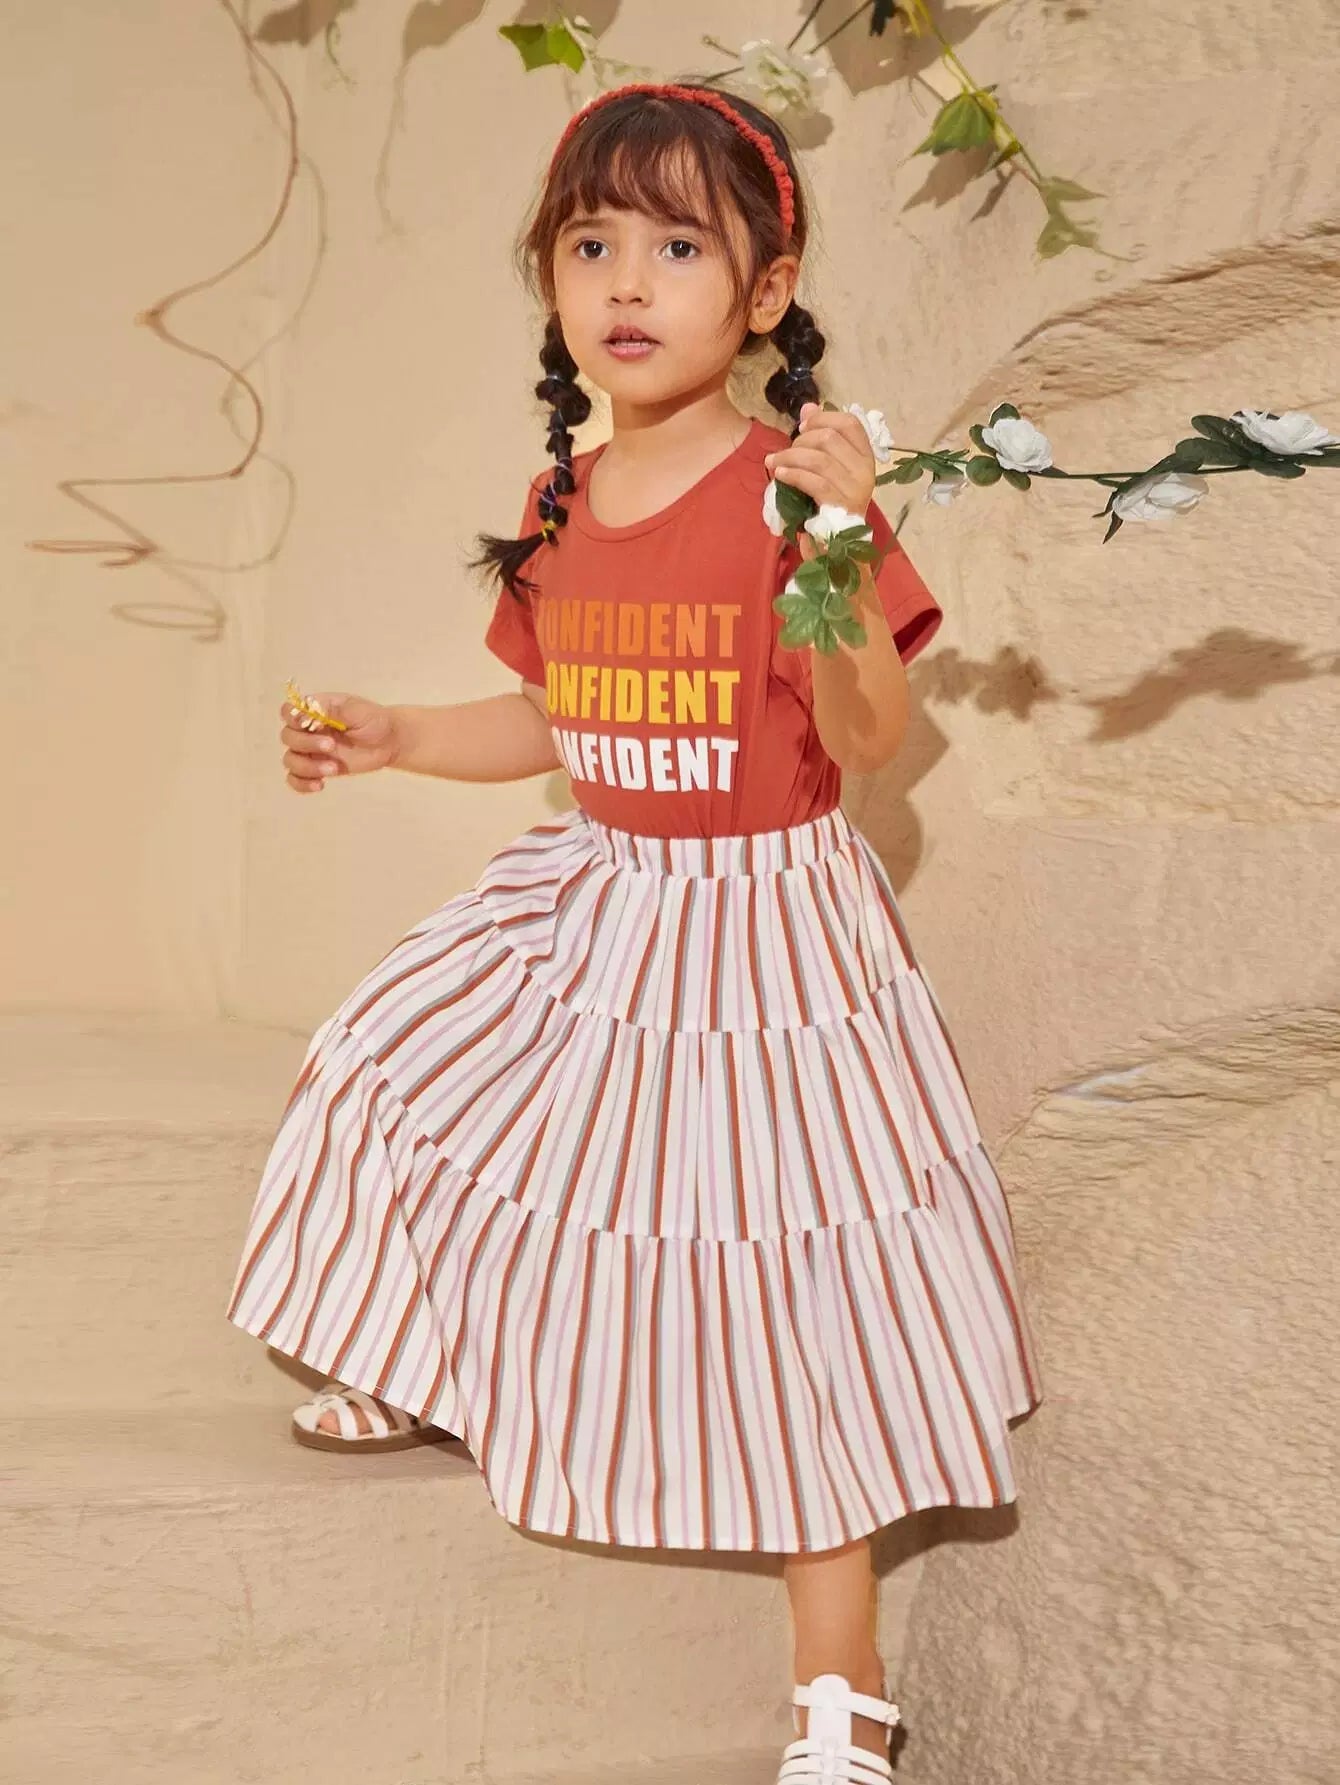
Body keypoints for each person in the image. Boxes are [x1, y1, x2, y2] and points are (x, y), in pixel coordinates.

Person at [225, 78, 1043, 1785]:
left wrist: (834, 545)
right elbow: (553, 714)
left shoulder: (792, 497)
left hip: (766, 935)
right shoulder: (563, 502)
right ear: (550, 279)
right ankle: (432, 1355)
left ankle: (841, 1681)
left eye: (679, 248)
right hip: (609, 898)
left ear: (764, 292)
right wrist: (397, 732)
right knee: (404, 1062)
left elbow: (867, 735)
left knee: (780, 1263)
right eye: (592, 243)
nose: (627, 280)